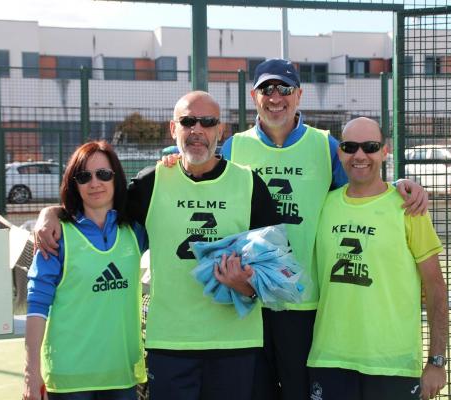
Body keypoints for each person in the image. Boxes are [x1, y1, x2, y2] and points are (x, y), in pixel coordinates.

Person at [35, 91, 280, 400]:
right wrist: (51, 213)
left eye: (207, 122)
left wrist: (246, 286)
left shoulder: (249, 183)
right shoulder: (151, 183)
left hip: (235, 345)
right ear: (172, 129)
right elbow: (96, 205)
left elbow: (276, 272)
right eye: (187, 121)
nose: (197, 130)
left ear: (221, 130)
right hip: (170, 345)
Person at [218, 58, 430, 400]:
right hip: (249, 299)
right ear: (253, 95)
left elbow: (363, 183)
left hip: (305, 305)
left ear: (299, 95)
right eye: (266, 89)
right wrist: (171, 162)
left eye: (284, 89)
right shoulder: (233, 147)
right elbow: (203, 181)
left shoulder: (325, 145)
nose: (275, 97)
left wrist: (402, 184)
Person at [307, 117, 448, 400]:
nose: (360, 155)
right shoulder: (323, 204)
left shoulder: (408, 207)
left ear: (385, 151)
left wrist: (436, 362)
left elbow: (435, 289)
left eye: (370, 147)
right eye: (350, 147)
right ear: (340, 152)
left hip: (392, 365)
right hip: (330, 360)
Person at [23, 141, 147, 400]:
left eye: (103, 174)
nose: (94, 183)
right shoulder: (56, 236)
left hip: (121, 375)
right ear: (73, 183)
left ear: (116, 179)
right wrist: (31, 372)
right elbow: (37, 306)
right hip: (70, 380)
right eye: (84, 176)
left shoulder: (135, 231)